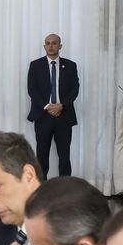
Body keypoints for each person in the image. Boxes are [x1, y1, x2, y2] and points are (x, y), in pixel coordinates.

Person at [26, 34, 80, 178]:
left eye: (54, 43)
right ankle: (41, 189)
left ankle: (65, 189)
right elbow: (32, 90)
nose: (51, 46)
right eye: (48, 43)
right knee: (42, 156)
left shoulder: (70, 65)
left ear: (60, 46)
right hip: (43, 116)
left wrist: (61, 105)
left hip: (64, 116)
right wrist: (47, 106)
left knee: (64, 156)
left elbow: (74, 90)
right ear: (44, 46)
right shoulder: (35, 65)